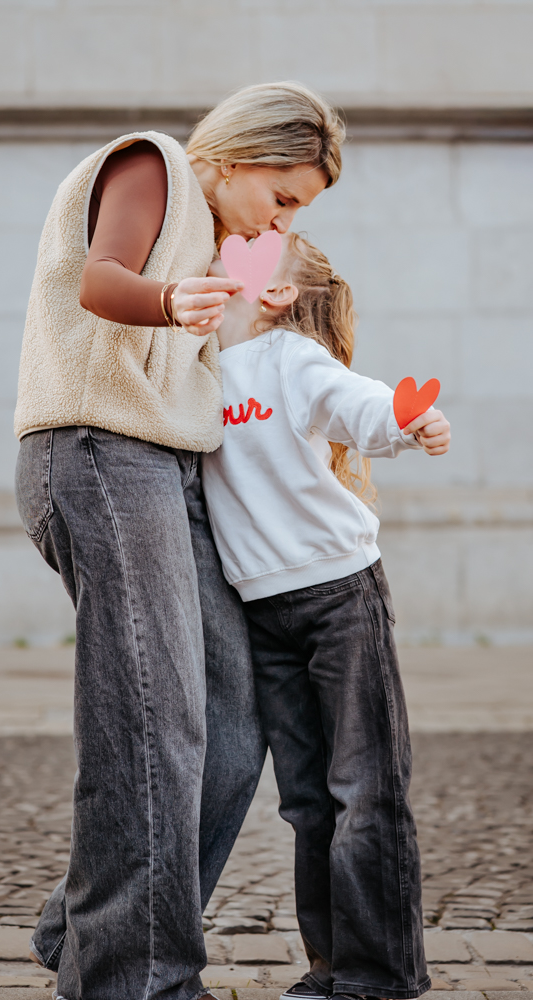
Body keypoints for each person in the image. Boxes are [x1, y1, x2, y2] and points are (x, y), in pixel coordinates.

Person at [14, 84, 344, 1000]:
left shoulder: (214, 241)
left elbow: (208, 352)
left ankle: (80, 930)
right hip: (97, 451)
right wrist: (170, 298)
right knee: (154, 721)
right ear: (238, 154)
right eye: (280, 196)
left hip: (169, 466)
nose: (277, 216)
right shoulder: (152, 159)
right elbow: (102, 282)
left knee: (233, 722)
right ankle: (138, 977)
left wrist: (254, 307)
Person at [201, 232, 451, 1000]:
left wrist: (405, 421)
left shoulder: (287, 357)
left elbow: (354, 401)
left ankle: (379, 975)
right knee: (309, 799)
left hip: (340, 596)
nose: (221, 250)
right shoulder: (199, 367)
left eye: (245, 250)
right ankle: (331, 967)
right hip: (262, 610)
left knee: (365, 789)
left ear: (272, 293)